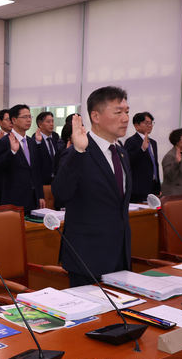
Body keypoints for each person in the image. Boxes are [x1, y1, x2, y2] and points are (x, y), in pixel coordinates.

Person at [52, 86, 132, 286]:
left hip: (120, 257)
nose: (125, 118)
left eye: (127, 112)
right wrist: (78, 151)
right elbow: (61, 193)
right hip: (87, 259)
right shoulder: (79, 151)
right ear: (95, 116)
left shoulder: (121, 153)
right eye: (118, 112)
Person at [0, 104, 45, 213]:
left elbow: (36, 171)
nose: (29, 120)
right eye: (24, 117)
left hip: (32, 199)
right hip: (13, 199)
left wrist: (40, 195)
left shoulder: (31, 142)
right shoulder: (3, 142)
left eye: (30, 117)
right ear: (14, 120)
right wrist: (12, 152)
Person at [125, 112, 160, 202]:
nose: (150, 125)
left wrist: (158, 186)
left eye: (151, 123)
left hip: (153, 187)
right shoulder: (131, 141)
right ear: (136, 125)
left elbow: (154, 164)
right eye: (146, 123)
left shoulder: (153, 142)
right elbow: (127, 161)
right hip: (138, 189)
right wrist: (142, 149)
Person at [161, 128, 182, 196]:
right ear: (177, 141)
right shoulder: (170, 156)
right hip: (174, 196)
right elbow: (169, 176)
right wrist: (176, 163)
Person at [33, 111, 59, 185]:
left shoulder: (55, 136)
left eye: (52, 121)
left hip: (56, 180)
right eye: (48, 122)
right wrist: (38, 142)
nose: (52, 124)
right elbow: (36, 159)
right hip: (42, 181)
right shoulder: (34, 139)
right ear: (40, 124)